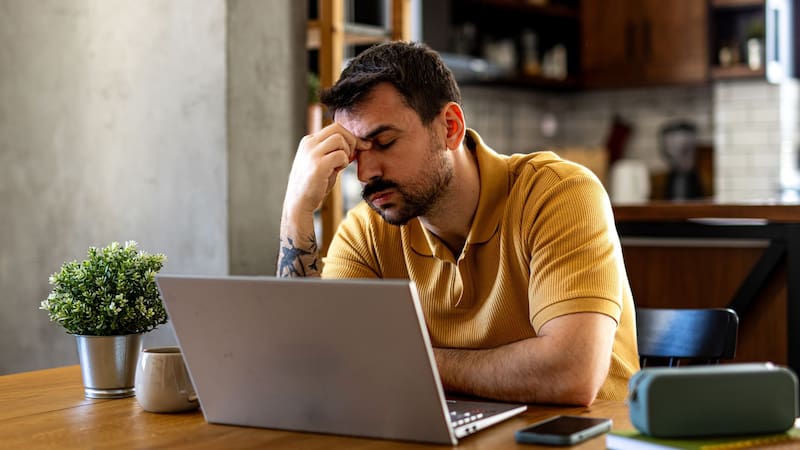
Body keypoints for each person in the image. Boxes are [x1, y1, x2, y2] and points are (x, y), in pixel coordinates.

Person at [278, 41, 639, 405]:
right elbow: (314, 368)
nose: (366, 174)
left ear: (450, 127)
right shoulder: (366, 233)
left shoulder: (557, 195)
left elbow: (572, 374)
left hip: (581, 439)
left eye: (384, 142)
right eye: (356, 154)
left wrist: (408, 363)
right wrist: (297, 211)